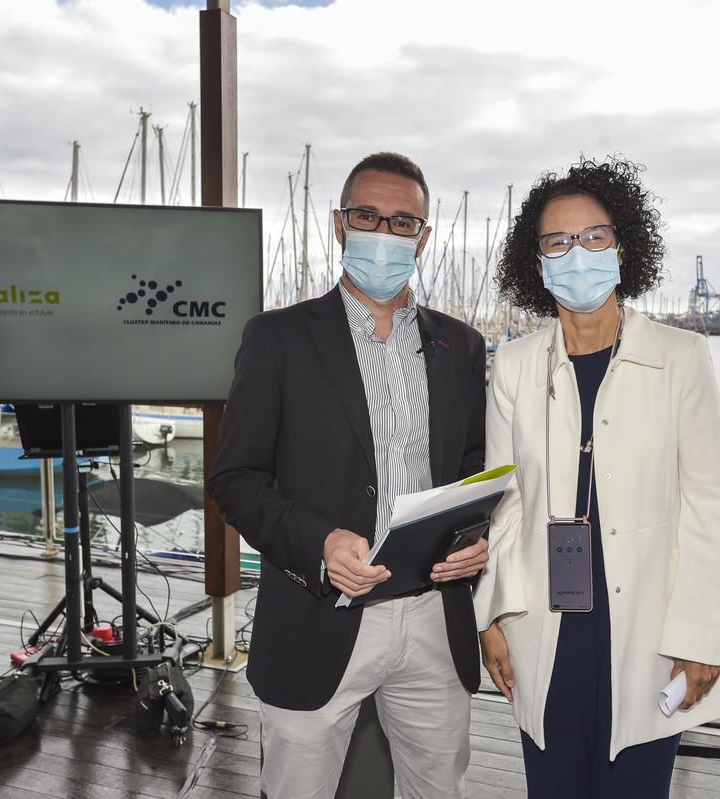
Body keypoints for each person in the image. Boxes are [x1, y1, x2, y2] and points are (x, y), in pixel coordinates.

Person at [206, 152, 489, 799]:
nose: (385, 234)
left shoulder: (462, 347)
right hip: (317, 616)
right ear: (340, 224)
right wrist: (321, 542)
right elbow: (236, 478)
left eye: (402, 222)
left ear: (424, 236)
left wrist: (476, 536)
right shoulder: (277, 338)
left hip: (435, 616)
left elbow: (473, 468)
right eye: (368, 216)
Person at [473, 156, 720, 797]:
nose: (578, 253)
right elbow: (503, 507)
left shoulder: (681, 357)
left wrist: (703, 637)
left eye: (595, 236)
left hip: (651, 630)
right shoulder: (514, 365)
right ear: (536, 263)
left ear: (623, 248)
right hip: (543, 626)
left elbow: (709, 504)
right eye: (558, 241)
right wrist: (490, 616)